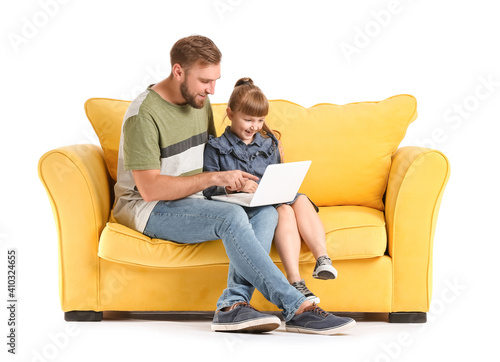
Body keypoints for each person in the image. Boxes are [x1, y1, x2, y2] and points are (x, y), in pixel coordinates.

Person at [113, 35, 355, 335]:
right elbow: (150, 190)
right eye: (205, 81)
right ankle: (297, 306)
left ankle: (232, 305)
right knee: (231, 217)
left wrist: (234, 184)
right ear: (178, 72)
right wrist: (216, 179)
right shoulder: (144, 115)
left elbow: (215, 157)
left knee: (267, 212)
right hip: (149, 208)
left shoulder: (197, 100)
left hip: (194, 199)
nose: (212, 90)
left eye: (215, 80)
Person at [203, 77, 338, 305]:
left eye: (260, 120)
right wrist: (232, 185)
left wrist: (283, 172)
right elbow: (207, 187)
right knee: (279, 210)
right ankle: (294, 281)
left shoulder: (268, 142)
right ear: (230, 113)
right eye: (248, 119)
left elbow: (277, 175)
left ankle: (321, 260)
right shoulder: (216, 147)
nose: (254, 126)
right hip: (242, 204)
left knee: (295, 203)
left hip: (270, 197)